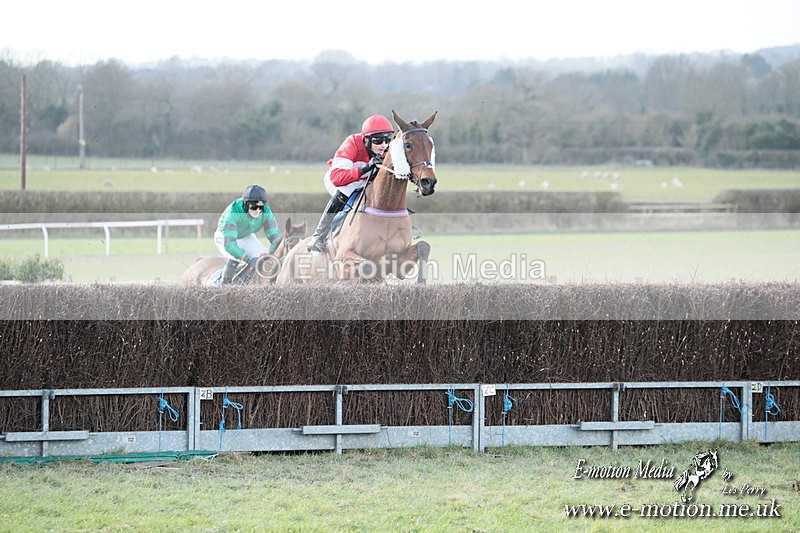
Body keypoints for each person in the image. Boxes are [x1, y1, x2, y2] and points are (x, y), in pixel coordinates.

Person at [307, 114, 395, 252]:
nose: (383, 145)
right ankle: (318, 236)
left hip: (367, 180)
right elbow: (337, 178)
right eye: (378, 141)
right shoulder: (352, 143)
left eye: (387, 140)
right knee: (347, 189)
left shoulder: (388, 148)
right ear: (365, 139)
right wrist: (365, 168)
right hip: (341, 179)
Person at [214, 184, 282, 284]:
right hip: (224, 237)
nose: (258, 211)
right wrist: (248, 259)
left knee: (263, 256)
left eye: (260, 207)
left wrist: (272, 254)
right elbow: (230, 245)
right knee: (234, 258)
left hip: (245, 236)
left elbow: (275, 237)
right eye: (254, 207)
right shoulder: (234, 211)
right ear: (246, 204)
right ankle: (222, 285)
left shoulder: (266, 211)